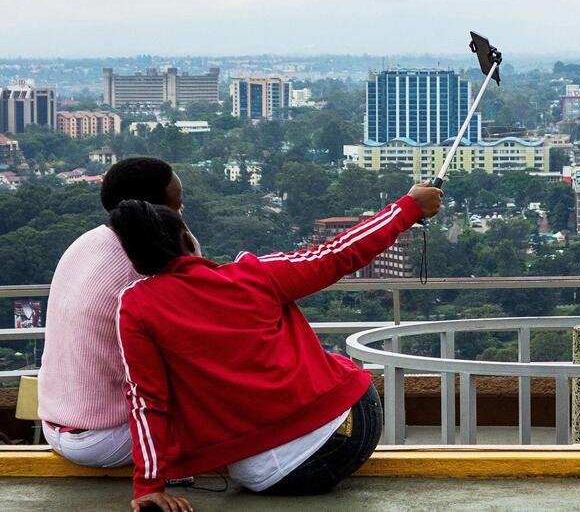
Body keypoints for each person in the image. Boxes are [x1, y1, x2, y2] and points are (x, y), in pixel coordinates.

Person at [110, 184, 441, 511]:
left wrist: (148, 486)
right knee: (334, 363)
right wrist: (407, 207)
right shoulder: (253, 275)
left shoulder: (137, 306)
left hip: (271, 475)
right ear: (187, 240)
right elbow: (339, 253)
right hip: (353, 428)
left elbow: (147, 401)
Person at [39, 157, 196, 468]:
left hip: (57, 424)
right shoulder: (144, 268)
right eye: (176, 207)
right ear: (155, 214)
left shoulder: (87, 242)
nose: (181, 213)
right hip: (104, 435)